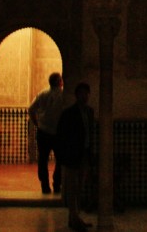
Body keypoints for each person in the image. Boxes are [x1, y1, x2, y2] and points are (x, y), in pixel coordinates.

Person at [57, 82, 94, 232]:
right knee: (72, 188)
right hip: (72, 156)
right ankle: (74, 218)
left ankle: (75, 218)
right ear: (76, 95)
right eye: (81, 94)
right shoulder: (68, 113)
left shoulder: (89, 112)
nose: (84, 96)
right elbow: (61, 135)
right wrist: (63, 156)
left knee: (79, 188)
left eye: (86, 94)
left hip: (84, 155)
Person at [27, 72, 66, 194]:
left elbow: (31, 109)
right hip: (59, 132)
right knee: (60, 159)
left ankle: (45, 186)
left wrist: (37, 123)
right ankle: (57, 184)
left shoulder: (42, 94)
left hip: (43, 132)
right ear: (60, 81)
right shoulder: (64, 95)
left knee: (43, 159)